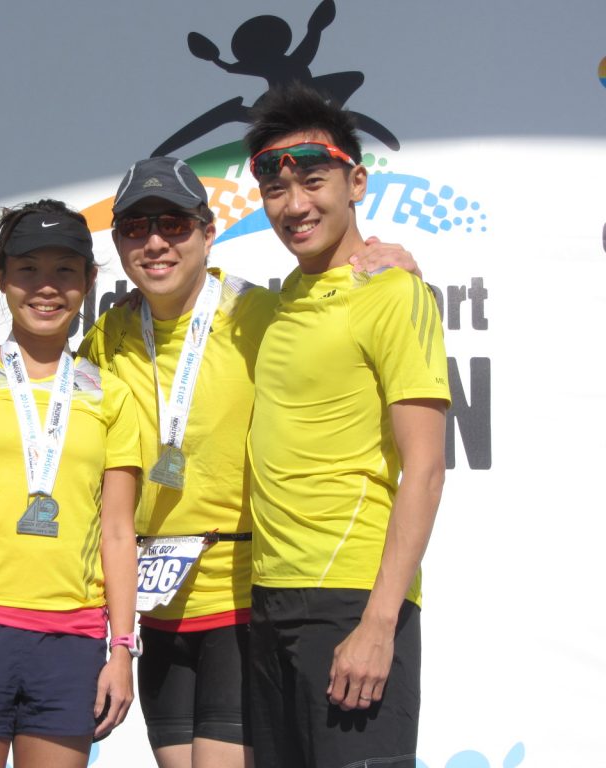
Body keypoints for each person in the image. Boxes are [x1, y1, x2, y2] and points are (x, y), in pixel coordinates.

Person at [79, 157, 420, 768]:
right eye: (134, 227)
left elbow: (343, 312)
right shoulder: (106, 337)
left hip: (243, 602)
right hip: (156, 607)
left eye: (173, 224)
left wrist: (401, 267)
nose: (154, 242)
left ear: (208, 233)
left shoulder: (262, 314)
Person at [244, 83, 450, 768]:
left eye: (313, 181)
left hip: (352, 602)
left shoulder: (392, 294)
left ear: (356, 182)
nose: (294, 204)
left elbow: (426, 468)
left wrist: (379, 623)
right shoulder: (279, 303)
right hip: (268, 601)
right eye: (275, 188)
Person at [0, 200, 141, 768]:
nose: (47, 287)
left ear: (89, 280)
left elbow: (119, 533)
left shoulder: (111, 393)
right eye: (27, 270)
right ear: (1, 277)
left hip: (72, 639)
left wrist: (122, 649)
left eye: (65, 270)